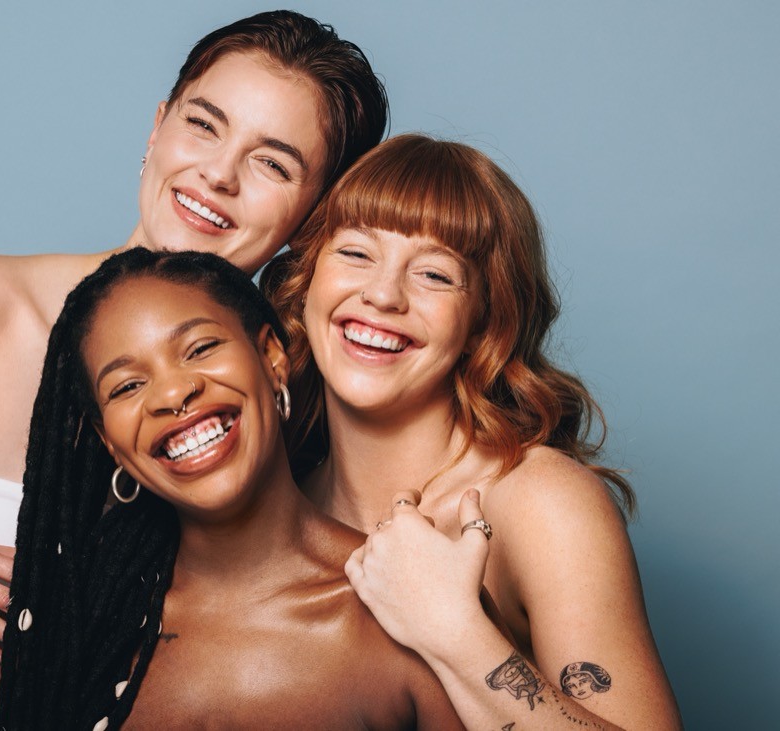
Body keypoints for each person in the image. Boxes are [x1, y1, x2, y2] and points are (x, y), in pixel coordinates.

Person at [0, 10, 388, 730]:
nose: (217, 173)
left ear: (315, 214)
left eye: (273, 162)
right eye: (203, 124)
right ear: (158, 126)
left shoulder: (278, 417)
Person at [265, 134, 683, 729]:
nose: (382, 295)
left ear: (485, 318)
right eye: (355, 254)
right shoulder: (280, 507)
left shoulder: (541, 502)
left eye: (434, 275)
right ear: (305, 281)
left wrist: (454, 629)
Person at [0, 248, 463, 730]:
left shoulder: (406, 614)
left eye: (199, 349)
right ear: (108, 442)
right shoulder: (62, 623)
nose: (173, 394)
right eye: (127, 386)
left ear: (272, 359)